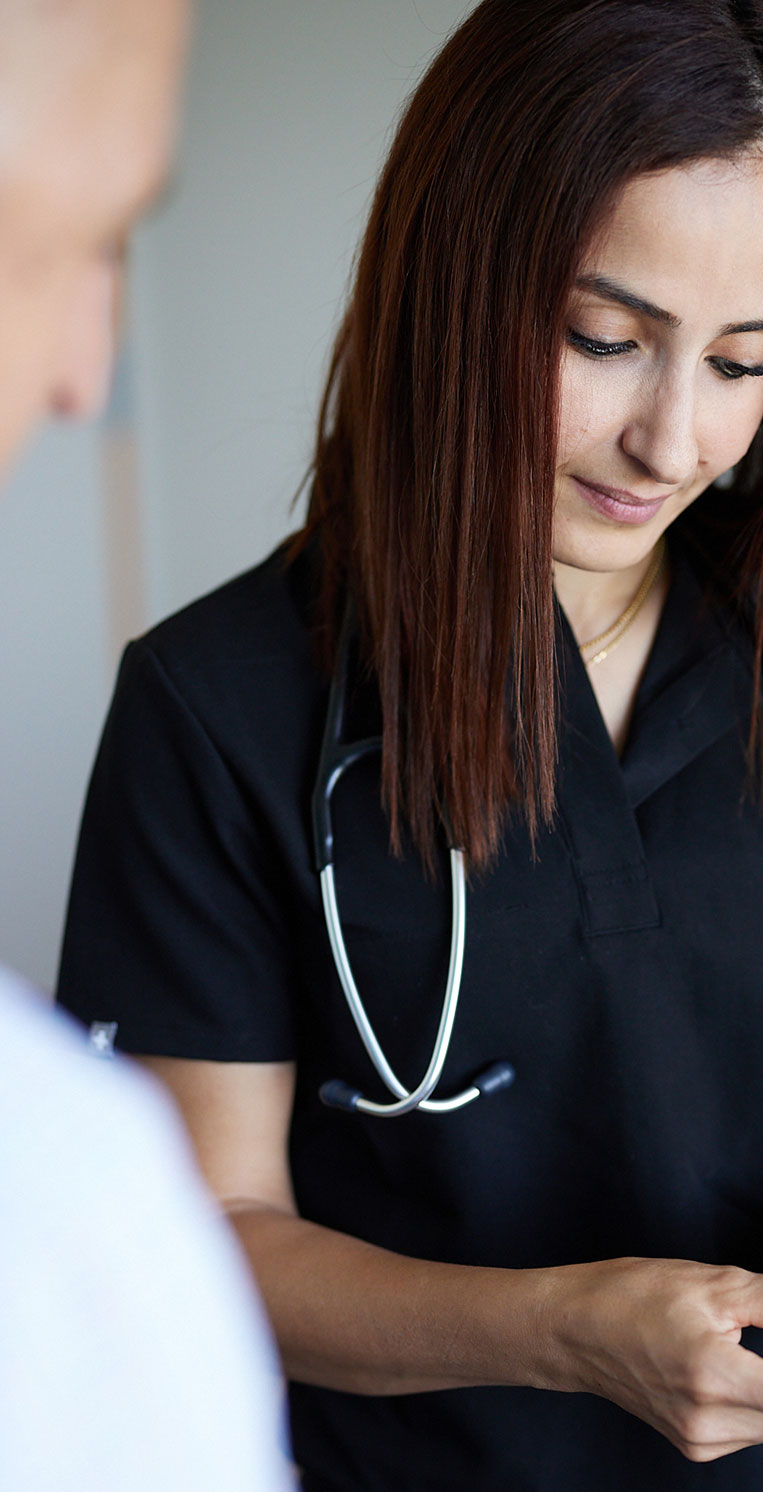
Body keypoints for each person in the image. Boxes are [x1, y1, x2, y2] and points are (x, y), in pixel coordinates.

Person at [55, 0, 763, 1488]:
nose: (675, 442)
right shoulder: (223, 704)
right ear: (452, 282)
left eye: (744, 360)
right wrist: (569, 1331)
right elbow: (219, 1242)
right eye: (606, 340)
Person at [0, 2, 293, 1486]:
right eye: (67, 242)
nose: (81, 371)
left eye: (749, 358)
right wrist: (570, 1329)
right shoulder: (64, 1214)